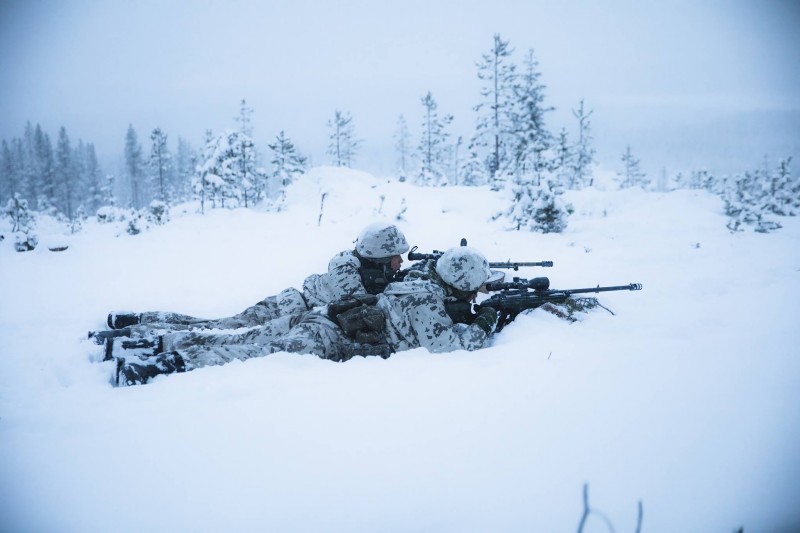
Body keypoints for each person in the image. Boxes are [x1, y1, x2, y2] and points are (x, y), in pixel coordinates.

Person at [115, 246, 500, 386]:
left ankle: (144, 341)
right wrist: (488, 318)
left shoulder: (418, 280)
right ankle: (154, 365)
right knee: (246, 354)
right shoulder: (426, 301)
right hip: (328, 337)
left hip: (320, 317)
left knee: (233, 336)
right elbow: (449, 347)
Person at [93, 221, 410, 353]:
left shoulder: (367, 269)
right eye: (395, 257)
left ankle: (132, 327)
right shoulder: (346, 270)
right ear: (378, 256)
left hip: (292, 311)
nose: (400, 262)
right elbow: (358, 303)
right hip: (285, 311)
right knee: (219, 332)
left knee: (220, 329)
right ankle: (132, 331)